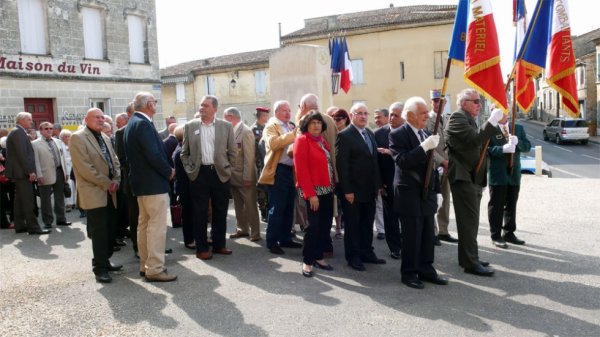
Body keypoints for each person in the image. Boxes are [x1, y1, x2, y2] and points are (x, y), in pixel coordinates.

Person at [444, 88, 504, 277]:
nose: (479, 105)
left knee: (471, 221)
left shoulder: (468, 118)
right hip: (463, 176)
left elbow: (478, 143)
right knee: (468, 221)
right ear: (463, 103)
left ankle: (470, 257)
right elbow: (473, 139)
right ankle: (470, 262)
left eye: (480, 101)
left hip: (472, 175)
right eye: (475, 101)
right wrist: (492, 121)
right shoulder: (457, 118)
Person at [390, 97, 448, 289]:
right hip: (409, 193)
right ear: (409, 115)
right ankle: (409, 273)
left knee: (427, 236)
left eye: (425, 112)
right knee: (411, 237)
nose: (426, 116)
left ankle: (426, 269)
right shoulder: (398, 134)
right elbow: (403, 161)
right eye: (422, 113)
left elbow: (432, 166)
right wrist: (423, 147)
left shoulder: (425, 133)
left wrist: (438, 191)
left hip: (427, 193)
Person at [124, 92, 177, 282]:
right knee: (156, 227)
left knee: (145, 226)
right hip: (153, 184)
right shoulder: (143, 123)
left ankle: (145, 265)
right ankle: (154, 268)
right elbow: (153, 154)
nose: (156, 104)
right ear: (148, 104)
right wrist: (168, 171)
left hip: (142, 184)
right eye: (154, 102)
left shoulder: (133, 122)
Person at [180, 95, 236, 261]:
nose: (202, 108)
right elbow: (184, 153)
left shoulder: (225, 126)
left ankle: (219, 244)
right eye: (201, 105)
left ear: (214, 109)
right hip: (199, 174)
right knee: (200, 212)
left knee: (220, 210)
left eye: (205, 105)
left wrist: (228, 169)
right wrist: (191, 171)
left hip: (219, 173)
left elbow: (233, 152)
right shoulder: (190, 126)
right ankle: (202, 247)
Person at [70, 108, 122, 283]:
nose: (100, 120)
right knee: (99, 232)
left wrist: (116, 179)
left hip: (110, 191)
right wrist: (108, 183)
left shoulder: (105, 137)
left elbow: (115, 161)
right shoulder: (78, 137)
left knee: (111, 229)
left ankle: (105, 261)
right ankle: (99, 268)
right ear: (86, 119)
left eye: (102, 117)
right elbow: (84, 168)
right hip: (94, 191)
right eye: (96, 117)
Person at [336, 102, 385, 271]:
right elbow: (342, 166)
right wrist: (347, 190)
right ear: (351, 115)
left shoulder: (369, 134)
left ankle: (367, 252)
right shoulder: (345, 135)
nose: (363, 116)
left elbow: (374, 161)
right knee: (353, 225)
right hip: (353, 192)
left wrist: (378, 185)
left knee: (366, 223)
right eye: (359, 113)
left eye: (366, 113)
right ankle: (353, 256)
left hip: (369, 190)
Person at [293, 111, 335, 277]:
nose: (317, 125)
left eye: (318, 122)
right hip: (313, 192)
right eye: (312, 123)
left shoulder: (322, 141)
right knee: (313, 227)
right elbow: (301, 170)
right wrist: (311, 195)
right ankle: (307, 261)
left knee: (324, 226)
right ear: (306, 125)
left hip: (326, 190)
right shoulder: (302, 140)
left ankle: (318, 256)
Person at [258, 100, 302, 255]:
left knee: (289, 207)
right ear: (276, 112)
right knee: (277, 208)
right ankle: (272, 241)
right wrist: (293, 135)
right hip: (278, 171)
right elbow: (274, 143)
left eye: (289, 110)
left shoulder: (289, 126)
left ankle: (285, 239)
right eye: (284, 110)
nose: (288, 113)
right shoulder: (271, 126)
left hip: (290, 171)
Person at [487, 114, 531, 248]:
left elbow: (527, 147)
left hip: (514, 173)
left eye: (501, 110)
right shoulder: (490, 129)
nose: (499, 114)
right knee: (497, 205)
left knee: (511, 205)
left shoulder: (518, 128)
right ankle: (496, 235)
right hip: (498, 173)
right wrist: (502, 149)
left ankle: (509, 233)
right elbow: (485, 150)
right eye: (495, 110)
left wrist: (519, 144)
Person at [5, 112, 49, 235]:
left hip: (19, 172)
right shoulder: (18, 132)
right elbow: (22, 155)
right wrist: (30, 171)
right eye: (29, 119)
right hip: (22, 173)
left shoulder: (17, 131)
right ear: (21, 120)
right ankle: (33, 227)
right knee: (28, 201)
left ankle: (19, 226)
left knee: (19, 201)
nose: (32, 121)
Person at [426, 89, 458, 246]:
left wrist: (449, 161)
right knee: (433, 200)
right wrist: (441, 161)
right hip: (434, 165)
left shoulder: (447, 119)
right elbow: (428, 146)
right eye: (435, 101)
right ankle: (433, 232)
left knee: (445, 199)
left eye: (441, 101)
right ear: (432, 102)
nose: (438, 104)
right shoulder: (427, 120)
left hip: (447, 165)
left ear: (445, 103)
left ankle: (444, 231)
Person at [224, 107, 261, 242]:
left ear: (230, 117)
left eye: (225, 117)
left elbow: (249, 158)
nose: (224, 120)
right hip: (233, 175)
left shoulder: (245, 131)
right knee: (238, 205)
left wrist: (247, 177)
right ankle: (242, 229)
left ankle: (255, 232)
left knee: (250, 205)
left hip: (244, 176)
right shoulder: (231, 131)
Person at [373, 102, 404, 260]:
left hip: (407, 184)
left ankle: (407, 245)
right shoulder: (378, 134)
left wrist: (392, 153)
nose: (391, 118)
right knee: (390, 217)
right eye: (390, 114)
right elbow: (374, 162)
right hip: (387, 183)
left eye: (396, 115)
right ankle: (394, 247)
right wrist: (379, 184)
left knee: (406, 218)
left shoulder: (411, 132)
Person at [32, 122, 70, 229]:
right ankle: (48, 221)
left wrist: (65, 172)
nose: (49, 130)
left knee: (59, 197)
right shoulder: (35, 144)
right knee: (46, 200)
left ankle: (61, 219)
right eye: (46, 128)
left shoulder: (58, 141)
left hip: (59, 172)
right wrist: (39, 175)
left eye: (51, 128)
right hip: (44, 174)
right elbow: (35, 161)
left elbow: (62, 158)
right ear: (41, 130)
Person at [172, 126, 195, 249]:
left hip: (184, 187)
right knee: (188, 215)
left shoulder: (180, 148)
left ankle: (193, 237)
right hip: (185, 188)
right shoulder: (181, 151)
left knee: (190, 214)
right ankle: (189, 240)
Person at [372, 108, 389, 241]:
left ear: (387, 117)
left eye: (379, 117)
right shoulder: (375, 134)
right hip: (379, 173)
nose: (376, 120)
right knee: (379, 204)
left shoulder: (397, 131)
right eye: (375, 117)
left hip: (393, 174)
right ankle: (381, 229)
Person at [252, 106, 270, 222]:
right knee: (261, 189)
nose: (266, 118)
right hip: (258, 163)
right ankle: (263, 212)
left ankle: (268, 210)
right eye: (264, 116)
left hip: (267, 162)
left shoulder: (267, 128)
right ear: (259, 116)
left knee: (268, 189)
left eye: (267, 116)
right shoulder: (253, 129)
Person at [59, 129, 75, 213]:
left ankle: (75, 203)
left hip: (74, 167)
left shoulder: (73, 144)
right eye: (65, 136)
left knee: (74, 185)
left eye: (69, 136)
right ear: (62, 137)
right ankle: (68, 204)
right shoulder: (60, 145)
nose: (68, 138)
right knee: (68, 186)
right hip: (66, 168)